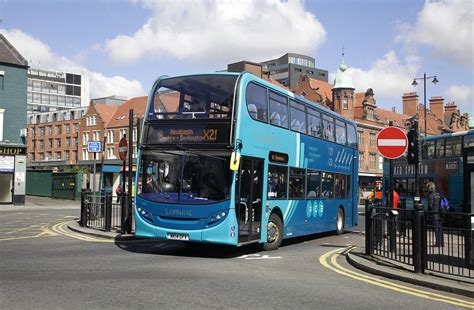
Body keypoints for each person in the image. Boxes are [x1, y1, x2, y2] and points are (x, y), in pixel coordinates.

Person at [427, 182, 444, 247]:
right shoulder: (439, 194)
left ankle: (437, 243)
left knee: (436, 228)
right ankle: (442, 243)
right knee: (440, 228)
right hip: (441, 213)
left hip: (434, 214)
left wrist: (428, 214)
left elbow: (430, 206)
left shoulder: (431, 195)